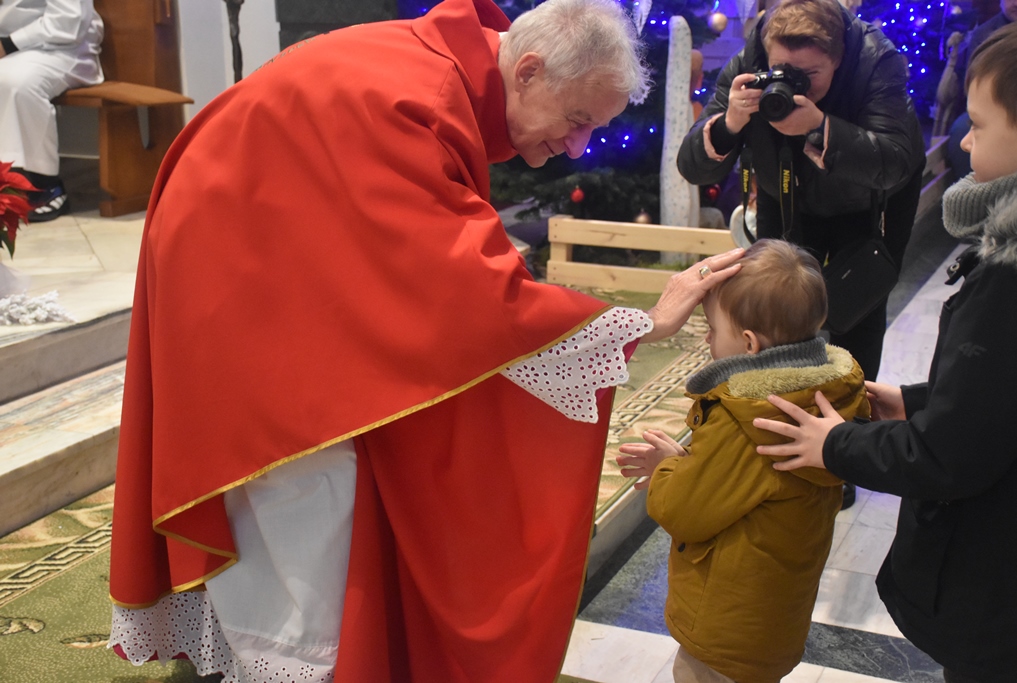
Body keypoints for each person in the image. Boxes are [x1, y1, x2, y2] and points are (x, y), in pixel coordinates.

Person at [106, 1, 744, 681]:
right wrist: (645, 323)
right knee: (314, 473)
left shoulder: (439, 71)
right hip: (239, 277)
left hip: (253, 248)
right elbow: (472, 300)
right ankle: (291, 657)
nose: (579, 147)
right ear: (528, 71)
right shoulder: (423, 100)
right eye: (578, 120)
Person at [752, 22, 1017, 682]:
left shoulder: (1010, 279)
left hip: (999, 591)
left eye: (978, 126)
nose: (963, 141)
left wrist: (835, 445)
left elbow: (949, 455)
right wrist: (922, 401)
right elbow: (1003, 395)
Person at [616, 239, 868, 683]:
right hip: (774, 615)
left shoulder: (746, 418)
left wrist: (666, 470)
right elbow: (746, 487)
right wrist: (692, 462)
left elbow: (686, 511)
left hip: (725, 627)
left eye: (712, 328)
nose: (707, 338)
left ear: (749, 343)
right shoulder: (829, 393)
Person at [677, 0, 925, 386]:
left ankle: (849, 411)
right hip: (785, 192)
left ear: (838, 57)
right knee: (773, 307)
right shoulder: (748, 64)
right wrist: (729, 123)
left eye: (809, 74)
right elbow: (691, 167)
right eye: (782, 71)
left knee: (857, 310)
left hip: (868, 198)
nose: (795, 83)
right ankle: (772, 399)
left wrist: (821, 128)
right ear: (767, 54)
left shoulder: (876, 60)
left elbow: (894, 161)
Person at [0, 0, 104, 222]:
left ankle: (43, 187)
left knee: (14, 82)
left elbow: (69, 19)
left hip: (62, 48)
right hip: (9, 47)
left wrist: (8, 44)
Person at [947, 0, 1017, 180]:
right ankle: (976, 188)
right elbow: (973, 86)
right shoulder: (984, 33)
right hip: (993, 106)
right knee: (961, 130)